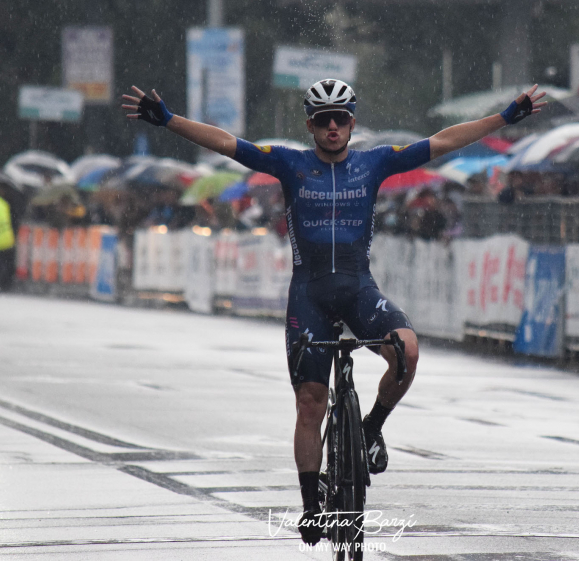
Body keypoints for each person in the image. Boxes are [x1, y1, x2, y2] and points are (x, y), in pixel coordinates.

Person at [123, 79, 545, 544]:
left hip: (358, 288)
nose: (331, 127)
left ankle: (370, 428)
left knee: (407, 351)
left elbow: (443, 141)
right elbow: (226, 143)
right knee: (310, 403)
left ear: (351, 122)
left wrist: (506, 117)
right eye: (322, 119)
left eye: (339, 118)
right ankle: (311, 505)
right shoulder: (289, 163)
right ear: (309, 125)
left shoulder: (374, 162)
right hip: (309, 295)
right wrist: (168, 120)